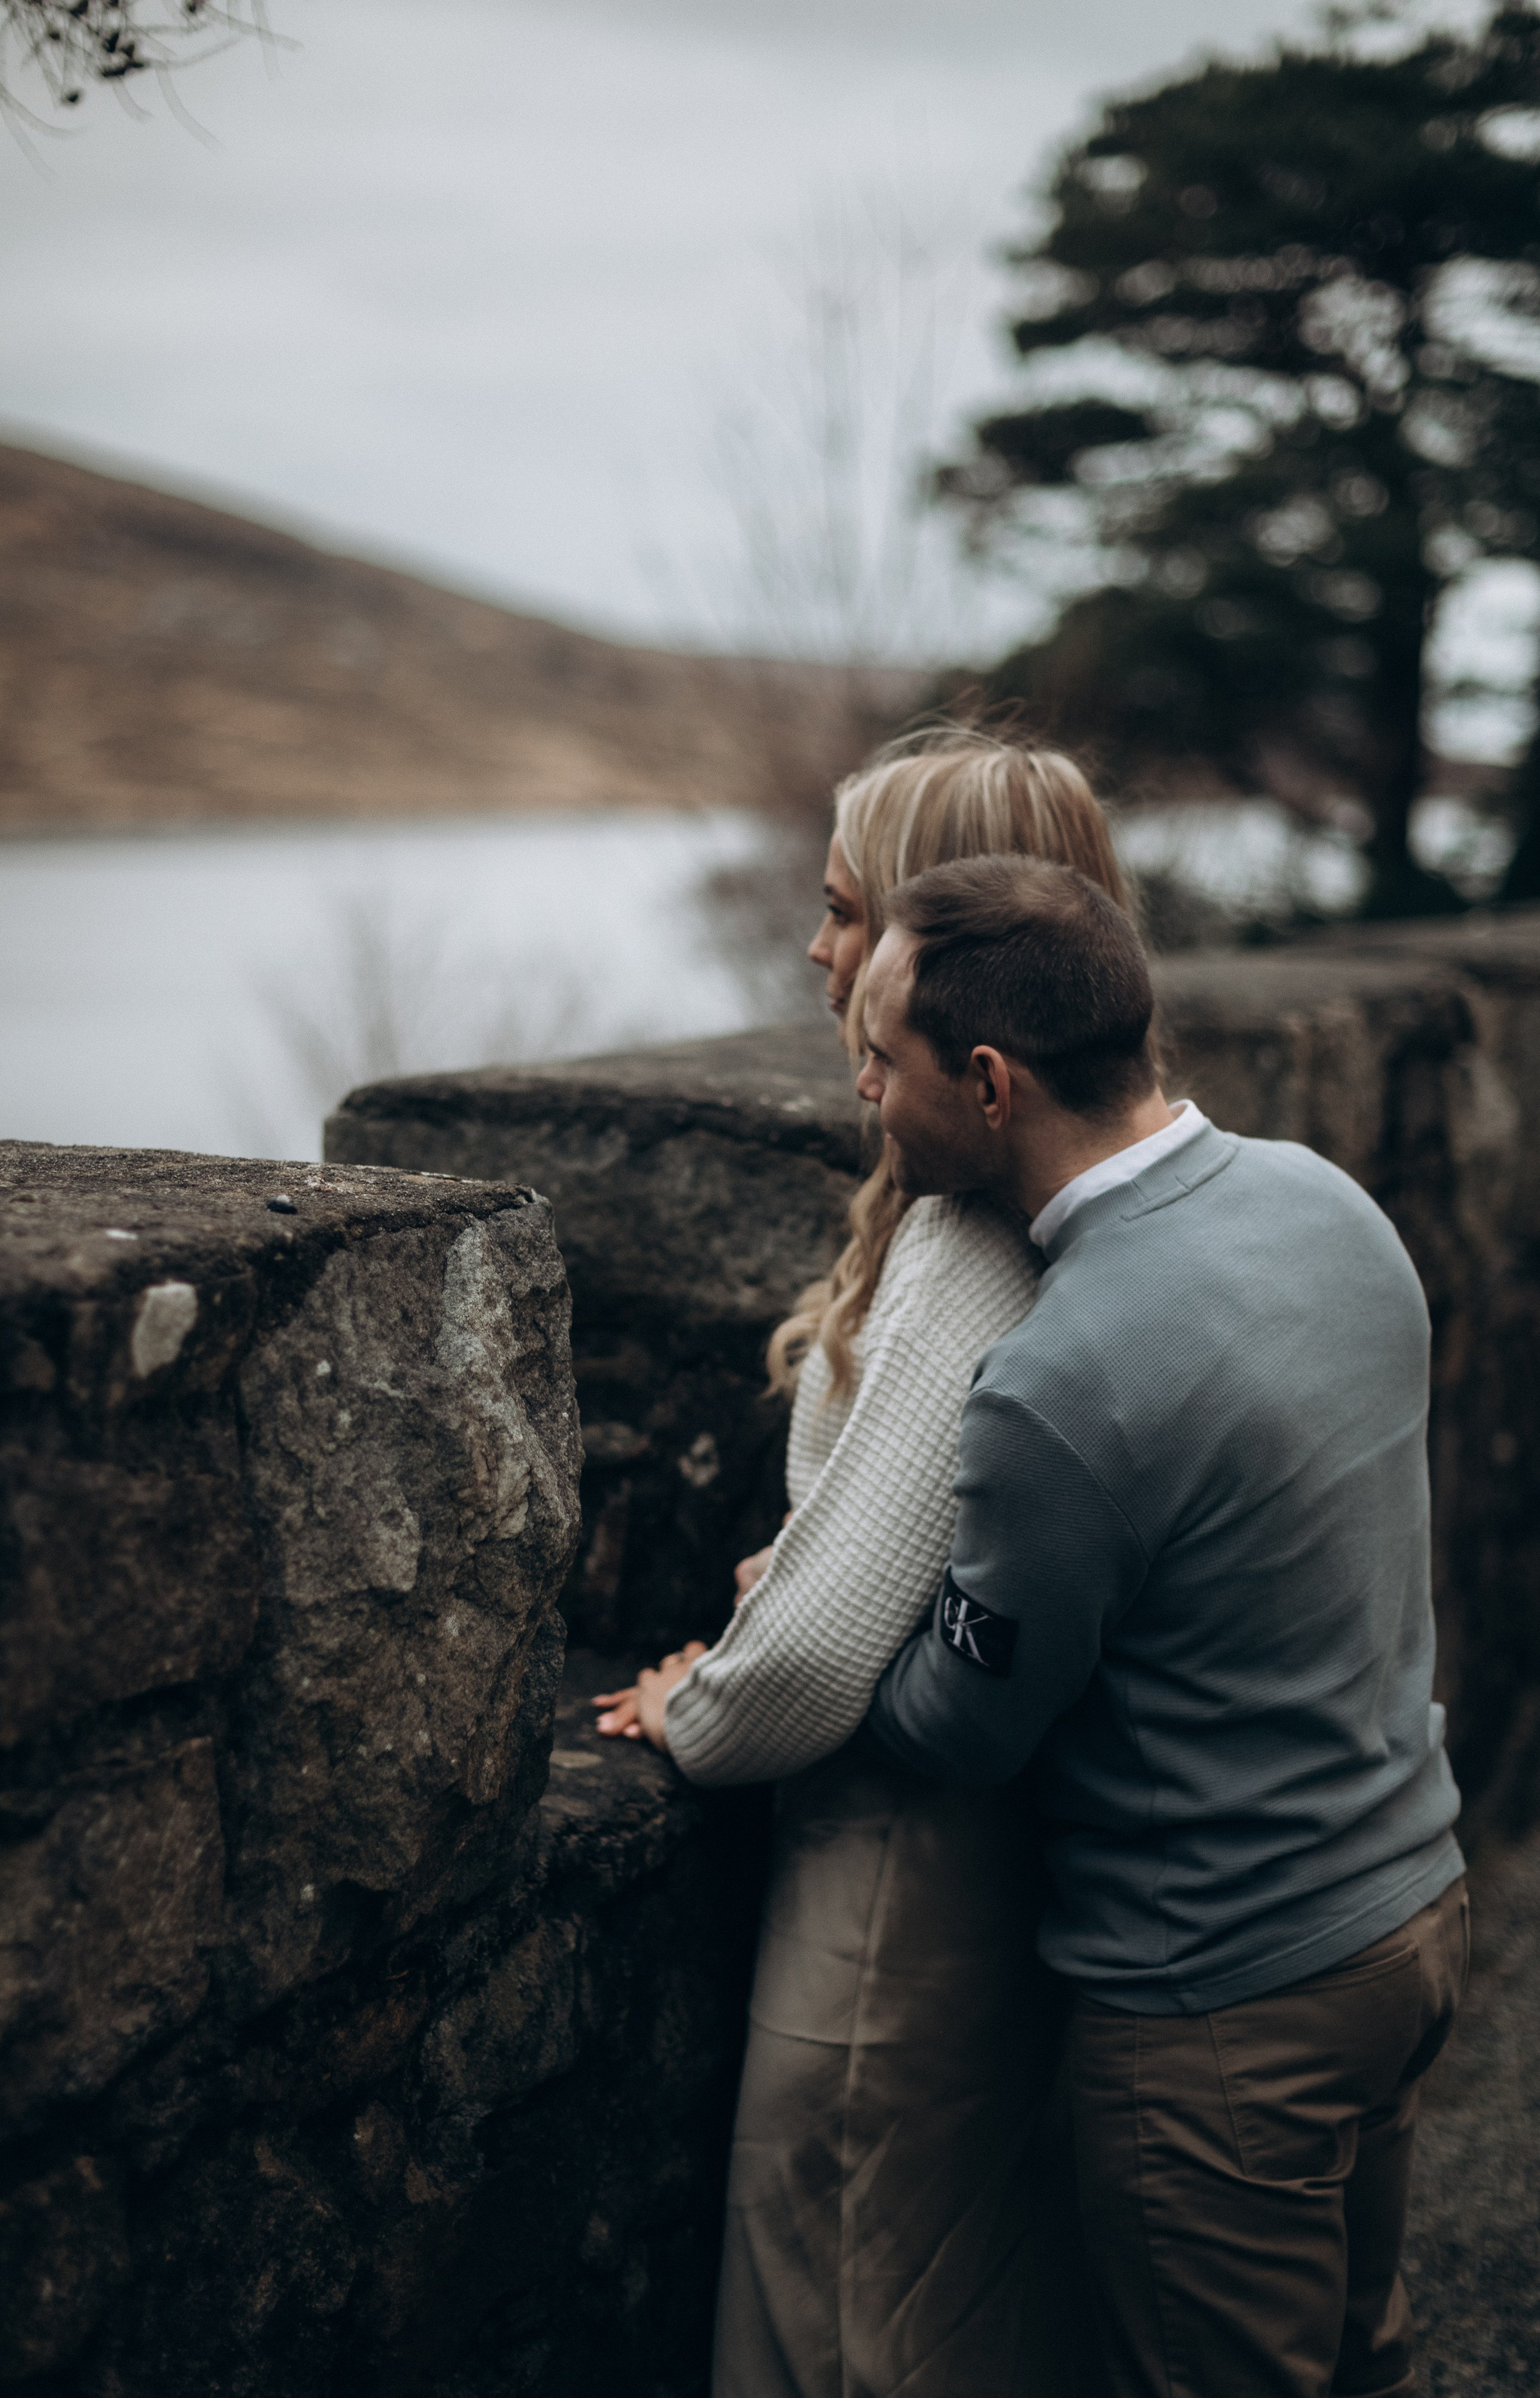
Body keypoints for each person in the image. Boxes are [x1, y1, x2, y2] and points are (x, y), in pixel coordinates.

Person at [855, 851, 1468, 2398]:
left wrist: (816, 1632)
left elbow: (961, 1724)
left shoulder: (1062, 1384)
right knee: (1364, 2361)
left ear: (988, 1084)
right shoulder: (1327, 1200)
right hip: (1408, 1914)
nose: (860, 1090)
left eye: (881, 1056)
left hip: (1223, 2007)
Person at [594, 726, 1131, 2398]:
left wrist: (701, 1709)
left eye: (846, 913)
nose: (818, 953)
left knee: (840, 2309)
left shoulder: (968, 1238)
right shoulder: (1039, 1182)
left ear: (941, 947)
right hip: (974, 1863)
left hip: (897, 1889)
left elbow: (825, 1660)